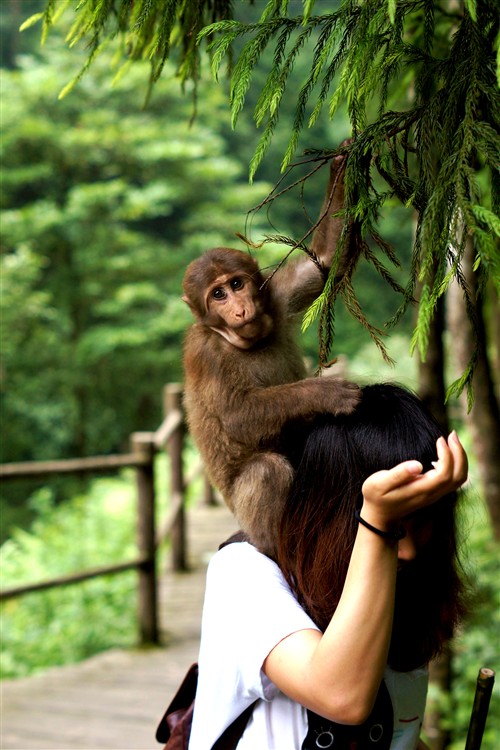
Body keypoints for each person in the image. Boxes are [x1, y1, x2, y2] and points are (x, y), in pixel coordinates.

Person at [188, 383, 470, 750]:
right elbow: (342, 697)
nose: (410, 551)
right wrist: (378, 523)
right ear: (330, 511)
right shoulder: (243, 572)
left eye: (424, 521)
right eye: (397, 526)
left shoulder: (406, 585)